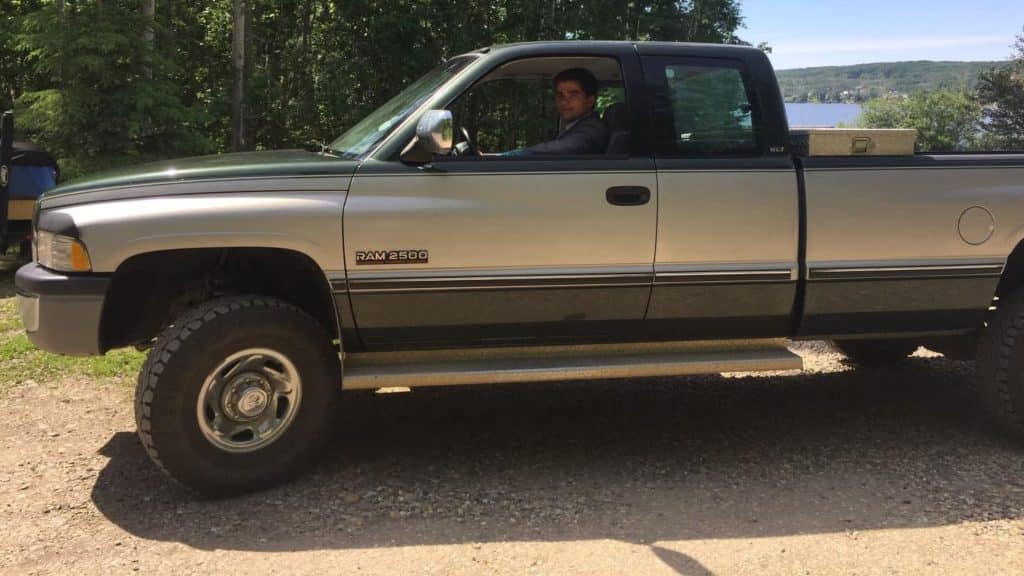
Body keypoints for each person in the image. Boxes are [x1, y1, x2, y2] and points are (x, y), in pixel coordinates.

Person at [507, 68, 609, 156]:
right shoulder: (575, 126)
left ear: (590, 101)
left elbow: (567, 147)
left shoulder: (593, 128)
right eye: (560, 95)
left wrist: (518, 154)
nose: (564, 101)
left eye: (573, 95)